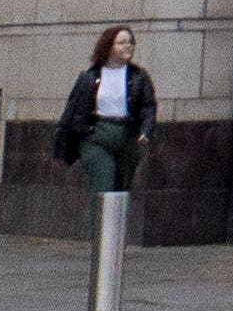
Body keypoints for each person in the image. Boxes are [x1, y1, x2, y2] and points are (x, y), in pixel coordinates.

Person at [55, 24, 157, 195]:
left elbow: (148, 106)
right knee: (103, 188)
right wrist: (63, 142)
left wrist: (145, 130)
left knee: (122, 190)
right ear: (109, 46)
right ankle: (99, 221)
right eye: (122, 42)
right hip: (97, 137)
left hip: (127, 137)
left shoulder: (139, 76)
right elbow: (72, 110)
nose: (128, 46)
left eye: (131, 42)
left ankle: (115, 222)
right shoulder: (89, 77)